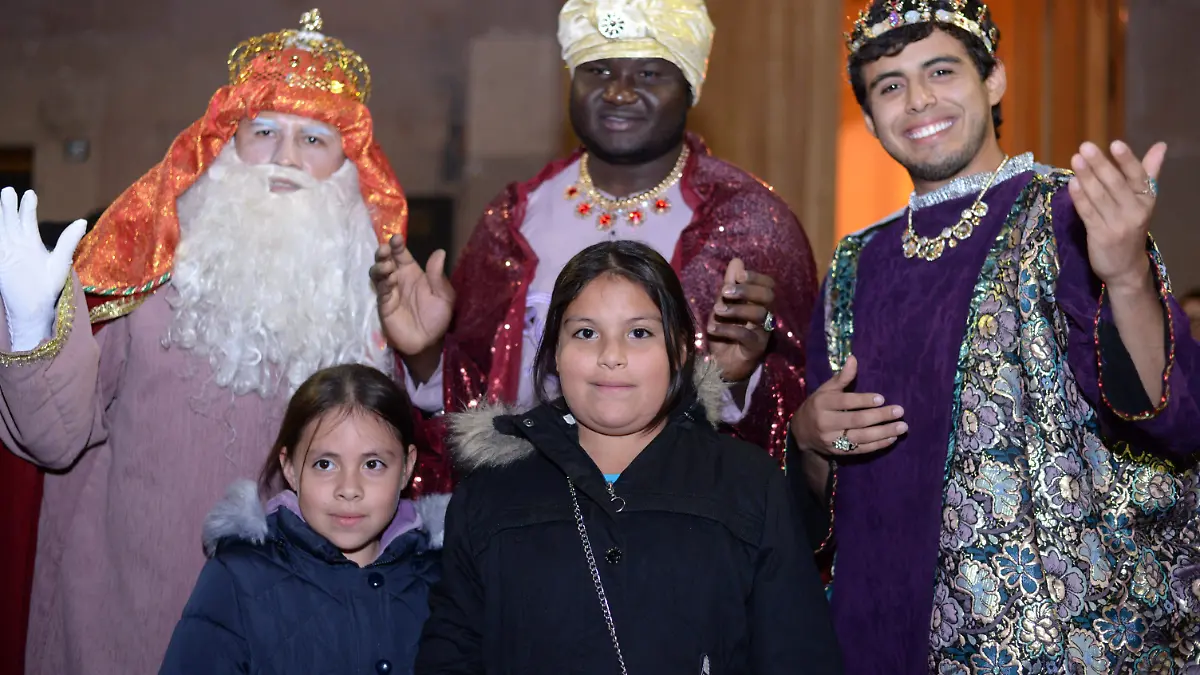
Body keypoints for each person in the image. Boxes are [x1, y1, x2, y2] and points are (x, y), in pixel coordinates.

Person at [0, 10, 437, 674]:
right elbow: (52, 440)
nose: (286, 158)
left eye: (314, 140)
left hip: (299, 644)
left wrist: (427, 358)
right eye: (264, 132)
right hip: (127, 627)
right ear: (223, 148)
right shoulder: (142, 284)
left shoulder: (374, 315)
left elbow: (417, 472)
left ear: (351, 172)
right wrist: (32, 327)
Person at [788, 1, 1200, 672]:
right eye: (890, 85)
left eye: (941, 70)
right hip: (872, 633)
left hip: (1040, 636)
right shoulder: (853, 262)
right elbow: (822, 484)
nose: (918, 98)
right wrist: (807, 436)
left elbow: (1171, 414)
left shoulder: (1067, 213)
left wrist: (1126, 272)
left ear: (995, 81)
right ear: (868, 117)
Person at [371, 0, 818, 486]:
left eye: (649, 74)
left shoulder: (751, 220)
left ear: (689, 87)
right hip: (529, 512)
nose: (619, 92)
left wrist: (740, 377)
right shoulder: (516, 217)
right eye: (598, 69)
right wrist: (424, 354)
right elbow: (478, 400)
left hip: (687, 520)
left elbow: (803, 410)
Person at [415, 241, 841, 674]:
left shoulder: (748, 482)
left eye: (639, 333)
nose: (611, 356)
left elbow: (798, 653)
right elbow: (452, 656)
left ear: (678, 352)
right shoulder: (489, 494)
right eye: (585, 333)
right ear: (555, 354)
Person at [159, 364, 444, 675]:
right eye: (325, 464)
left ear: (406, 467)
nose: (349, 489)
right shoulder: (236, 578)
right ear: (291, 468)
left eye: (373, 464)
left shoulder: (445, 576)